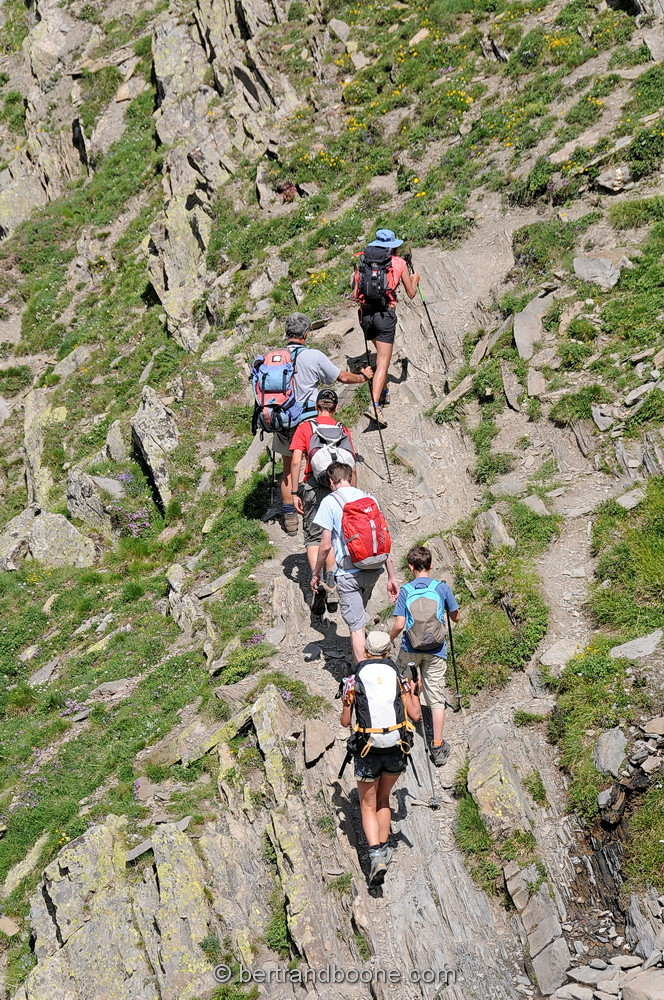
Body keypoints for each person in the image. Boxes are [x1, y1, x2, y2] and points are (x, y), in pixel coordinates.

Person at [273, 313, 373, 536]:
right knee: (317, 462)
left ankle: (290, 517)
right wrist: (363, 377)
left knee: (288, 469)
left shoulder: (275, 357)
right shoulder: (313, 356)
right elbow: (343, 378)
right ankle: (324, 511)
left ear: (287, 333)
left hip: (282, 420)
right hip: (308, 422)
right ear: (306, 333)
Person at [340, 630, 421, 887]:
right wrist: (414, 691)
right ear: (388, 652)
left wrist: (346, 703)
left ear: (365, 652)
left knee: (367, 805)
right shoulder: (399, 678)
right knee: (384, 799)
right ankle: (384, 850)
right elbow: (415, 716)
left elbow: (345, 722)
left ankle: (376, 855)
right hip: (397, 747)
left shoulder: (353, 680)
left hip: (367, 748)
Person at [312, 462, 398, 662]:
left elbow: (325, 546)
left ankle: (362, 676)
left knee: (357, 627)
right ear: (350, 477)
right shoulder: (369, 498)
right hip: (374, 567)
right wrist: (392, 576)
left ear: (331, 481)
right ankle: (359, 658)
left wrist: (316, 573)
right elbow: (383, 537)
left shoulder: (330, 501)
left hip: (348, 573)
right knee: (360, 616)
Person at [389, 545, 460, 766]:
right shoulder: (441, 588)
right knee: (436, 697)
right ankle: (437, 747)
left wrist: (389, 638)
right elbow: (456, 617)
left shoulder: (406, 591)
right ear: (431, 565)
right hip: (436, 650)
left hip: (410, 648)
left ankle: (408, 726)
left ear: (411, 567)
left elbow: (400, 624)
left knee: (406, 688)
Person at [290, 390, 357, 615]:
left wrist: (294, 491)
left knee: (314, 537)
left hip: (313, 487)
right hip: (339, 488)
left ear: (316, 406)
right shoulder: (342, 429)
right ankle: (332, 582)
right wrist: (352, 493)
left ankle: (318, 584)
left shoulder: (306, 427)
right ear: (335, 407)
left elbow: (297, 459)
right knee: (333, 536)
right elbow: (351, 463)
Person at [352, 229, 420, 429]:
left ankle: (382, 391)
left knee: (381, 354)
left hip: (365, 316)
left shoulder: (363, 261)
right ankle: (374, 406)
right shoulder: (398, 263)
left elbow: (356, 293)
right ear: (392, 246)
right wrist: (415, 278)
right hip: (385, 315)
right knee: (383, 362)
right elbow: (411, 293)